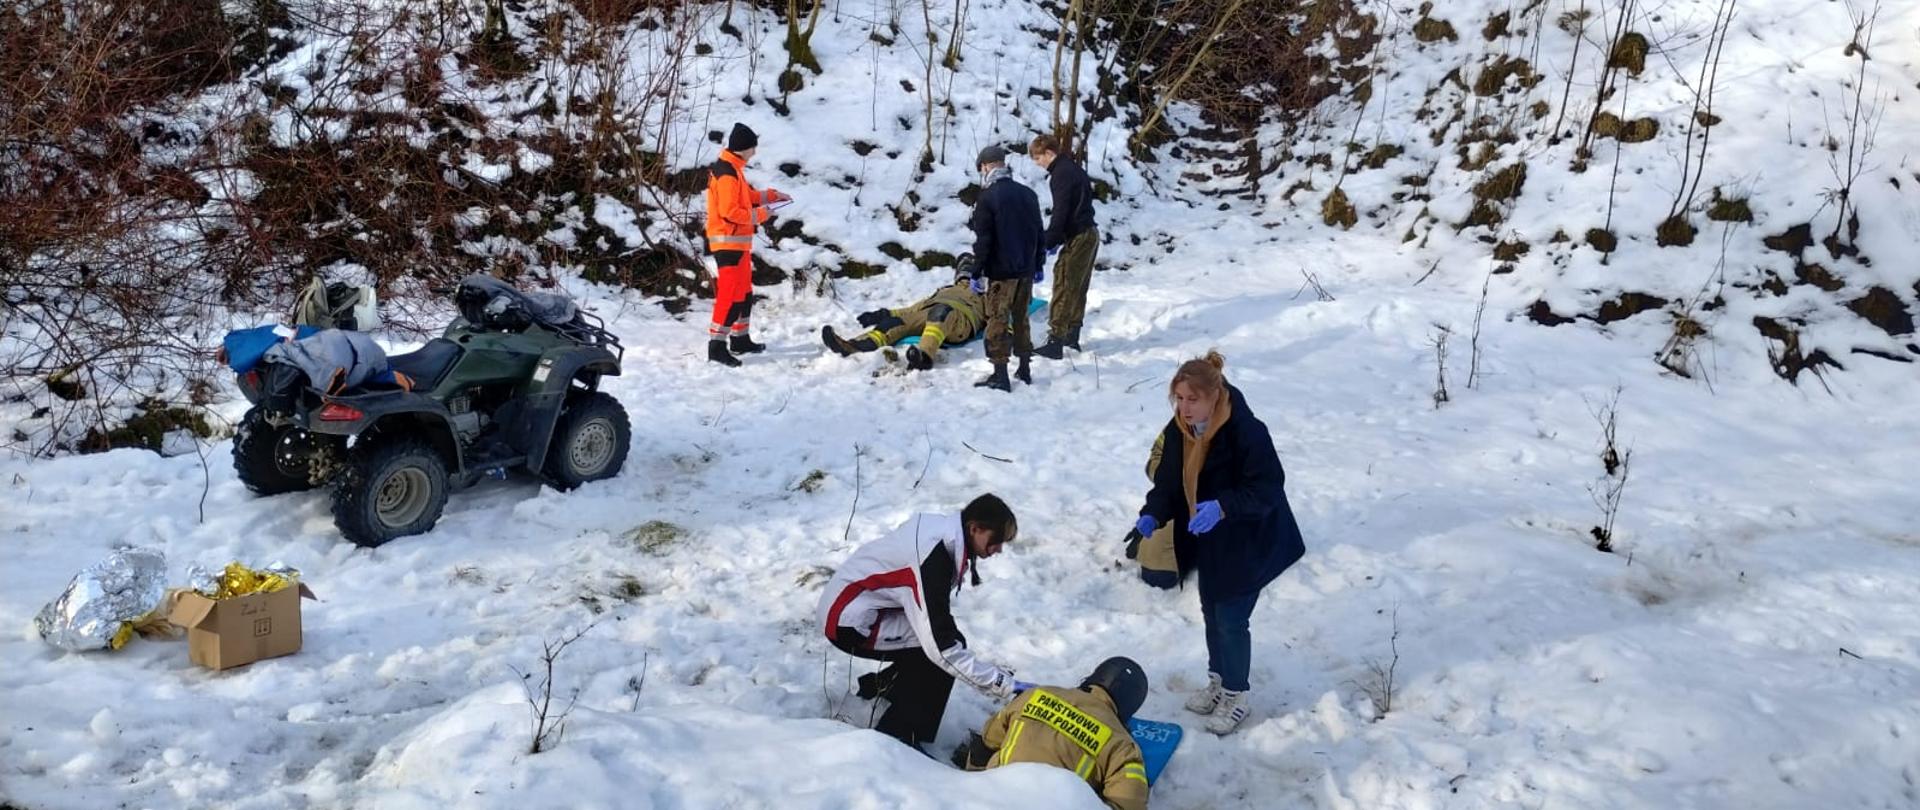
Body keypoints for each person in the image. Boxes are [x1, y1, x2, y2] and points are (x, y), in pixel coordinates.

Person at [1132, 351, 1305, 735]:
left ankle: (1236, 694)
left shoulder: (1247, 431)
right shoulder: (1181, 428)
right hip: (1208, 539)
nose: (1184, 406)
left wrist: (1224, 506)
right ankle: (1218, 682)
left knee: (1231, 618)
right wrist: (1153, 513)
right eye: (1178, 397)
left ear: (1215, 395)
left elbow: (1267, 488)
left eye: (1192, 399)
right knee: (1211, 611)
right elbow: (1169, 483)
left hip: (1249, 539)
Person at [817, 494, 1028, 750]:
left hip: (861, 605)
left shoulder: (945, 534)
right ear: (975, 528)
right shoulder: (933, 558)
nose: (998, 549)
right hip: (848, 621)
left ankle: (882, 693)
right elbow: (942, 649)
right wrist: (1006, 686)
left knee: (943, 644)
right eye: (996, 541)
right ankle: (897, 741)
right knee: (941, 655)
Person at [954, 657, 1152, 810]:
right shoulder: (1122, 745)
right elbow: (1127, 803)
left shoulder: (1036, 695)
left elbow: (990, 738)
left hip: (992, 797)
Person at [704, 122, 790, 367]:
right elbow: (730, 211)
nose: (755, 151)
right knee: (729, 296)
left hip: (737, 244)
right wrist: (761, 215)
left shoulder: (733, 169)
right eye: (753, 147)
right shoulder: (727, 174)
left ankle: (740, 340)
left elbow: (748, 198)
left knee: (744, 294)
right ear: (743, 149)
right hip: (727, 244)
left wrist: (771, 196)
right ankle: (716, 346)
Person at [966, 144, 1046, 391]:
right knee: (1022, 318)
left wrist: (976, 271)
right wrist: (1039, 263)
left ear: (986, 166)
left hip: (1001, 272)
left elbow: (984, 241)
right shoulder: (1028, 194)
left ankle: (1000, 375)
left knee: (997, 320)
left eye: (982, 169)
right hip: (1026, 270)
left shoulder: (987, 198)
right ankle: (1024, 368)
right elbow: (1038, 233)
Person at [820, 265, 984, 371]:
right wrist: (881, 315)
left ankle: (924, 356)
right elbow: (910, 310)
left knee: (942, 312)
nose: (966, 278)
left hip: (961, 320)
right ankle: (852, 346)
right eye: (964, 273)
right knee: (893, 324)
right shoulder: (943, 291)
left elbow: (999, 316)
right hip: (930, 311)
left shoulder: (984, 296)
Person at [1028, 134, 1098, 360]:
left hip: (1078, 236)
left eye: (1038, 158)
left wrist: (1049, 241)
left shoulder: (1061, 174)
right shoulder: (1073, 169)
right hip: (1089, 233)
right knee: (1078, 286)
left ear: (1049, 153)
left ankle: (1055, 340)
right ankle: (1072, 334)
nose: (1038, 164)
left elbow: (1061, 212)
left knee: (1064, 282)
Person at [1120, 434, 1178, 590]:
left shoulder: (1241, 429)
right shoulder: (1180, 424)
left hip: (1230, 510)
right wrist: (1154, 514)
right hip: (1185, 503)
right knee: (1156, 567)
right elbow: (1157, 457)